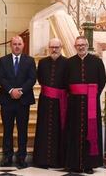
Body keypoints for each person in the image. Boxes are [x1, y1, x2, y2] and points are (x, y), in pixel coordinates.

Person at [65, 36, 106, 174]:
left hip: (91, 103)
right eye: (78, 45)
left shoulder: (97, 61)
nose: (81, 47)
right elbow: (65, 82)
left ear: (87, 45)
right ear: (75, 46)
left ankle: (89, 165)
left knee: (91, 132)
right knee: (74, 132)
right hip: (74, 104)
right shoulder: (69, 62)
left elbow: (102, 80)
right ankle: (74, 163)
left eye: (83, 44)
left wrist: (93, 94)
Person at [0, 35, 36, 169]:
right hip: (7, 100)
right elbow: (0, 78)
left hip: (23, 101)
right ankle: (7, 156)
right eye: (14, 44)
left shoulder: (30, 61)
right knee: (7, 130)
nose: (17, 46)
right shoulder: (3, 60)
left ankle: (21, 157)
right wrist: (11, 90)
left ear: (23, 45)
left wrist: (21, 91)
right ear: (11, 45)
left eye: (19, 44)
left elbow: (32, 79)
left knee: (22, 130)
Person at [33, 38, 68, 168]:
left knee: (59, 129)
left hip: (61, 102)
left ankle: (58, 160)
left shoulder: (67, 63)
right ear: (49, 47)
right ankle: (42, 160)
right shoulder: (42, 63)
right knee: (43, 128)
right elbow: (40, 79)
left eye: (56, 47)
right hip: (45, 101)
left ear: (61, 47)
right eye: (52, 47)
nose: (54, 50)